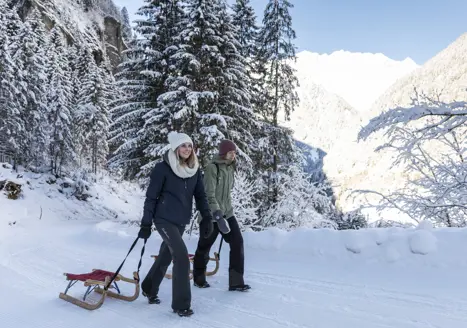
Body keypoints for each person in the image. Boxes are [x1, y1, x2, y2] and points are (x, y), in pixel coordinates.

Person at [137, 131, 214, 317]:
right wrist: (146, 223)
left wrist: (207, 217)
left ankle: (149, 287)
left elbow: (201, 197)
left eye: (189, 145)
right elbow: (151, 197)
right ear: (175, 148)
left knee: (166, 255)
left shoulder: (195, 170)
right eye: (183, 146)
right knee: (180, 256)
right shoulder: (162, 169)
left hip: (181, 221)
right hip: (163, 219)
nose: (187, 149)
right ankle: (181, 305)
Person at [192, 139, 251, 292]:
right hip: (211, 216)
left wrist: (226, 212)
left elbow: (227, 194)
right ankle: (198, 278)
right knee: (204, 247)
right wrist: (217, 215)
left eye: (235, 152)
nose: (234, 155)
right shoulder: (213, 168)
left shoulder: (230, 168)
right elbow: (208, 194)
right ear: (224, 153)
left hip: (227, 213)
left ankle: (236, 282)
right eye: (231, 152)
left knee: (237, 242)